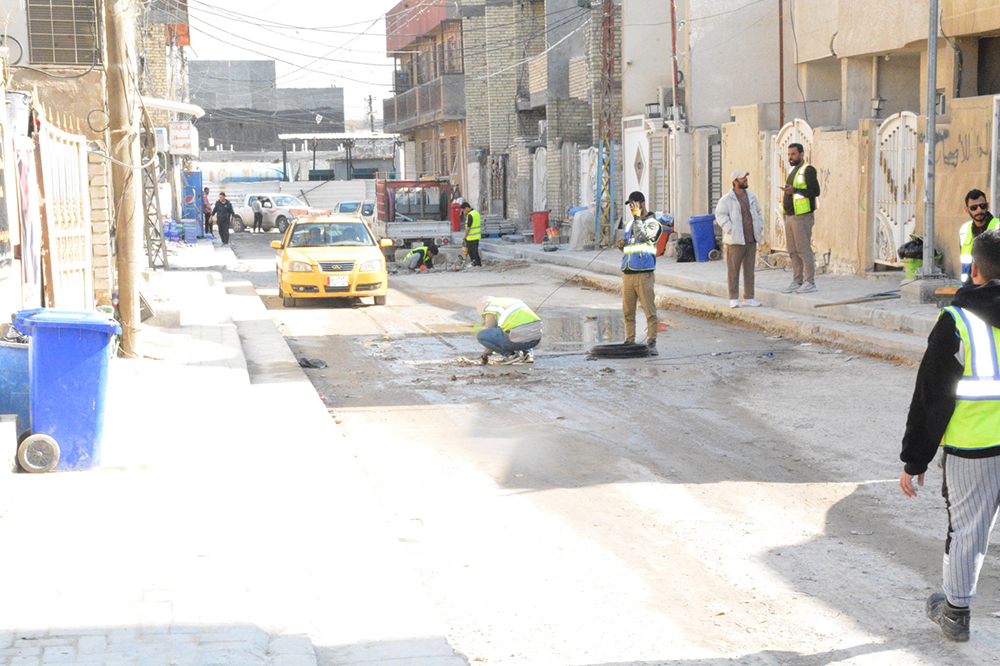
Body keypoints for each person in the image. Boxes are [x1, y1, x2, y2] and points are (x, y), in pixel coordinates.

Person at [899, 229, 1000, 642]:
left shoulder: (957, 321)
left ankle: (955, 613)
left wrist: (915, 460)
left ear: (974, 270)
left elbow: (931, 397)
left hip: (974, 449)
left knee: (967, 531)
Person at [619, 191, 660, 356]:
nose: (632, 209)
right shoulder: (630, 224)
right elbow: (630, 245)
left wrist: (637, 218)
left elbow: (642, 237)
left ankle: (651, 341)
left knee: (649, 311)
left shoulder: (653, 223)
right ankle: (630, 340)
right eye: (630, 206)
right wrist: (621, 245)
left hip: (644, 274)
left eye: (634, 205)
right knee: (628, 311)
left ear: (642, 204)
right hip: (628, 272)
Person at [715, 169, 764, 308]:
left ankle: (749, 297)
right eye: (742, 178)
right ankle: (733, 298)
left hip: (751, 239)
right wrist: (730, 229)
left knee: (749, 270)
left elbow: (759, 214)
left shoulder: (752, 197)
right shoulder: (726, 199)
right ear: (735, 181)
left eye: (746, 178)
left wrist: (759, 227)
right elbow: (720, 215)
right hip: (735, 241)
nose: (745, 180)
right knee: (733, 270)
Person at [781, 143, 821, 293]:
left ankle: (810, 282)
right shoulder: (793, 170)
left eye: (793, 154)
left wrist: (795, 190)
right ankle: (797, 281)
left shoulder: (808, 170)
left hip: (802, 217)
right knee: (793, 250)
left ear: (802, 154)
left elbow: (815, 191)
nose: (790, 157)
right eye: (789, 154)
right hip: (790, 217)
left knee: (803, 250)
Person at [476, 296, 541, 364]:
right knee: (523, 329)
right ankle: (528, 354)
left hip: (519, 340)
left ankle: (510, 355)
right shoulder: (508, 303)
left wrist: (485, 356)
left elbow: (488, 334)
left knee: (481, 335)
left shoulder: (490, 309)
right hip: (535, 340)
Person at [958, 189, 999, 283]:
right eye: (974, 208)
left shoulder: (998, 226)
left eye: (982, 206)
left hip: (994, 285)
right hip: (969, 283)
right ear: (967, 210)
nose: (979, 210)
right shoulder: (964, 230)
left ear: (987, 205)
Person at [462, 202, 482, 267]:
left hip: (471, 237)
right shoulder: (476, 213)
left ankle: (475, 264)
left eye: (464, 210)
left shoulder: (470, 215)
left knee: (471, 252)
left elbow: (468, 227)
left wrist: (465, 236)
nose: (464, 212)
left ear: (467, 208)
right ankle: (478, 264)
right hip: (477, 236)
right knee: (475, 251)